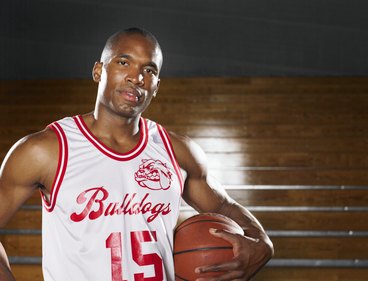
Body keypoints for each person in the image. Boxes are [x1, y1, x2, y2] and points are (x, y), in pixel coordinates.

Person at [0, 27, 273, 281]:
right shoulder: (46, 149)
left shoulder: (177, 151)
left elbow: (223, 206)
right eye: (123, 62)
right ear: (98, 71)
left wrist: (262, 242)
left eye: (149, 70)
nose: (137, 77)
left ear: (156, 86)